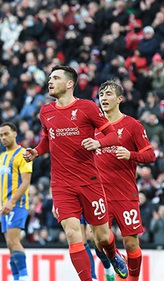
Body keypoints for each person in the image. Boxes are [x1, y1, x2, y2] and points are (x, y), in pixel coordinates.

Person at [22, 65, 128, 281]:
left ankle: (113, 253)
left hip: (89, 181)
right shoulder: (46, 111)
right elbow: (48, 139)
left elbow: (113, 135)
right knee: (72, 234)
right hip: (62, 184)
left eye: (56, 78)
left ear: (70, 84)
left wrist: (97, 142)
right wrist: (36, 151)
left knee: (102, 236)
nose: (50, 81)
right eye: (50, 78)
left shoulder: (87, 108)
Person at [94, 79, 156, 281]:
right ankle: (115, 258)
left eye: (109, 94)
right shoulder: (93, 126)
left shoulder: (132, 125)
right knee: (99, 240)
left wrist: (131, 155)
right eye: (102, 94)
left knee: (131, 243)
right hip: (99, 194)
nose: (104, 97)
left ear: (119, 99)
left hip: (124, 194)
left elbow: (150, 155)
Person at [0, 122, 32, 281]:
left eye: (6, 134)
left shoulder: (23, 154)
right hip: (4, 207)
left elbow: (26, 182)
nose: (4, 137)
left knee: (13, 241)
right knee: (10, 245)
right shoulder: (2, 157)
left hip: (17, 205)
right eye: (1, 135)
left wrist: (11, 202)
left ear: (15, 133)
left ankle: (24, 277)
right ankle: (17, 277)